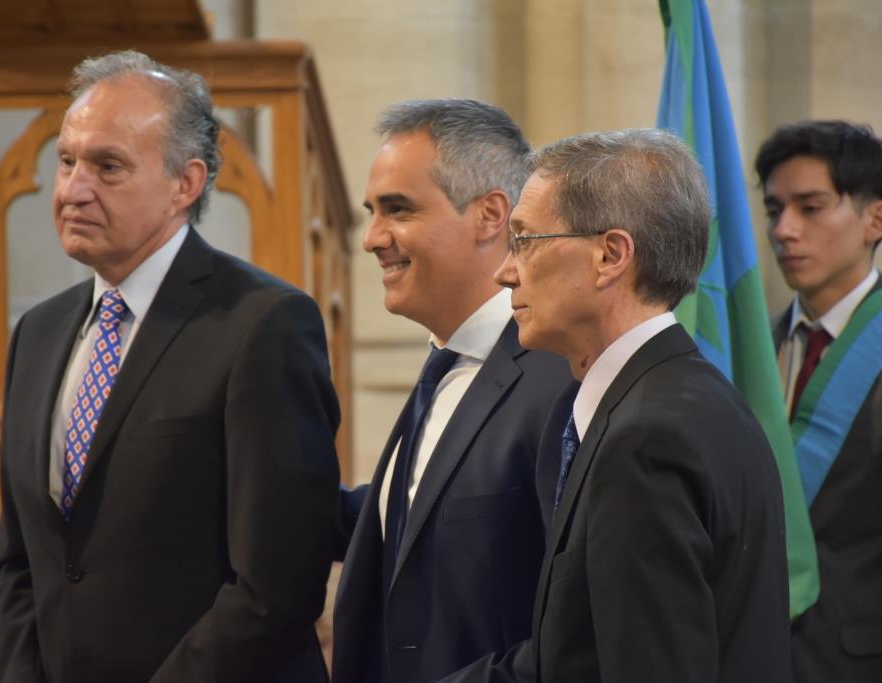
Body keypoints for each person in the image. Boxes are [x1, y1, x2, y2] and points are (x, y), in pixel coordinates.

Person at [0, 50, 340, 683]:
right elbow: (21, 564)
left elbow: (276, 586)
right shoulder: (37, 334)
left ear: (186, 183)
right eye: (67, 161)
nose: (73, 189)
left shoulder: (263, 323)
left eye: (108, 166)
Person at [492, 128, 791, 682]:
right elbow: (578, 653)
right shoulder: (687, 399)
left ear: (610, 255)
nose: (504, 271)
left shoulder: (646, 439)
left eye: (524, 240)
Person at [331, 99, 572, 683]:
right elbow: (422, 523)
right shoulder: (446, 362)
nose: (371, 238)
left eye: (398, 210)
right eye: (371, 211)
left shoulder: (559, 377)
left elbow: (575, 629)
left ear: (491, 215)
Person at [755, 120, 882, 683]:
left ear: (874, 218)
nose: (784, 230)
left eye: (810, 207)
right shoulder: (756, 350)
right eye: (773, 209)